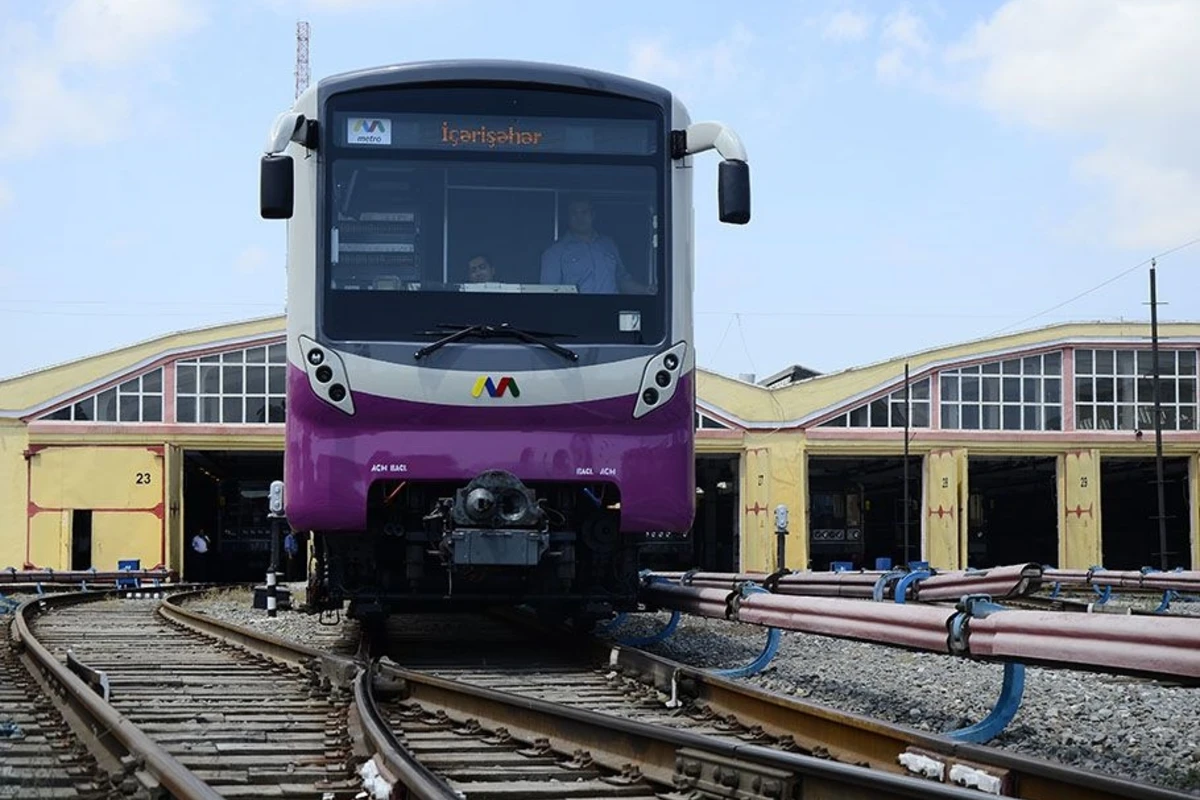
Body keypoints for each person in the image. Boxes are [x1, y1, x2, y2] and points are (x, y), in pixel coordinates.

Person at [539, 197, 652, 294]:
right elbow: (549, 293)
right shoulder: (554, 252)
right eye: (574, 213)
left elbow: (621, 280)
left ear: (593, 215)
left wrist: (646, 290)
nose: (580, 218)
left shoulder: (608, 245)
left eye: (584, 212)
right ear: (568, 217)